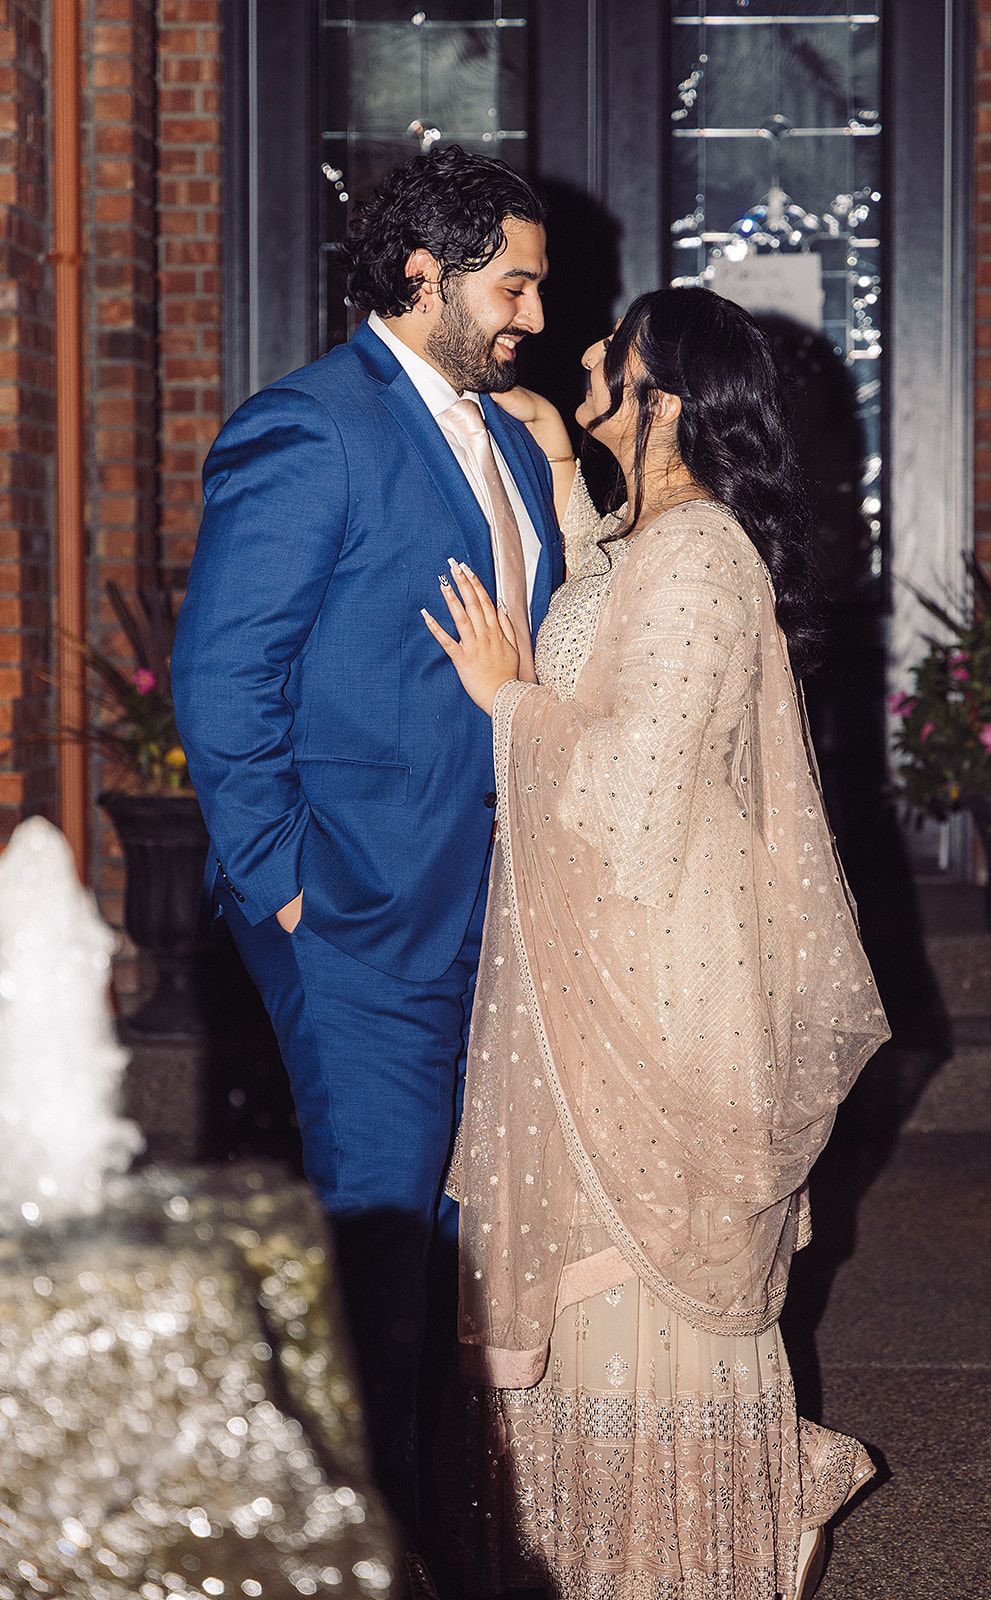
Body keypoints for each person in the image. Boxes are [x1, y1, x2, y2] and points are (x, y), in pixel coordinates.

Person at [423, 287, 891, 1600]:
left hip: (659, 1004)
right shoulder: (655, 542)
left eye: (611, 356)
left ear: (666, 398)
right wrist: (574, 476)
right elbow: (609, 616)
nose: (584, 356)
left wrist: (506, 699)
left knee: (642, 1297)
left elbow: (631, 786)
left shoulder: (702, 558)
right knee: (601, 1301)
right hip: (614, 976)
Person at [169, 145, 563, 1560]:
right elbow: (223, 682)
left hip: (505, 921)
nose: (530, 312)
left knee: (462, 1280)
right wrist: (288, 888)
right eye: (511, 284)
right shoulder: (310, 428)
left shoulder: (514, 442)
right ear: (424, 272)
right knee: (380, 1271)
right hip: (358, 926)